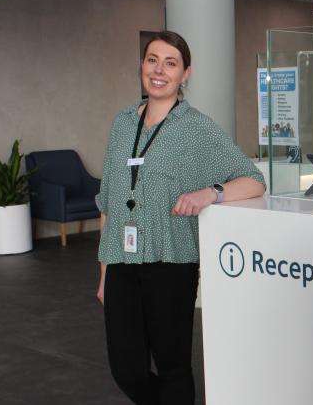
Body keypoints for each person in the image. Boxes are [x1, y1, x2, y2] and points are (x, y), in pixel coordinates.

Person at [94, 30, 266, 405]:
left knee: (172, 367)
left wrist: (211, 193)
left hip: (171, 265)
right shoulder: (122, 123)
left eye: (170, 63)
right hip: (122, 263)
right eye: (152, 60)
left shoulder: (197, 129)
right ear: (142, 65)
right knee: (127, 370)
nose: (159, 70)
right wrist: (105, 271)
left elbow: (254, 181)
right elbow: (108, 202)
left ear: (185, 74)